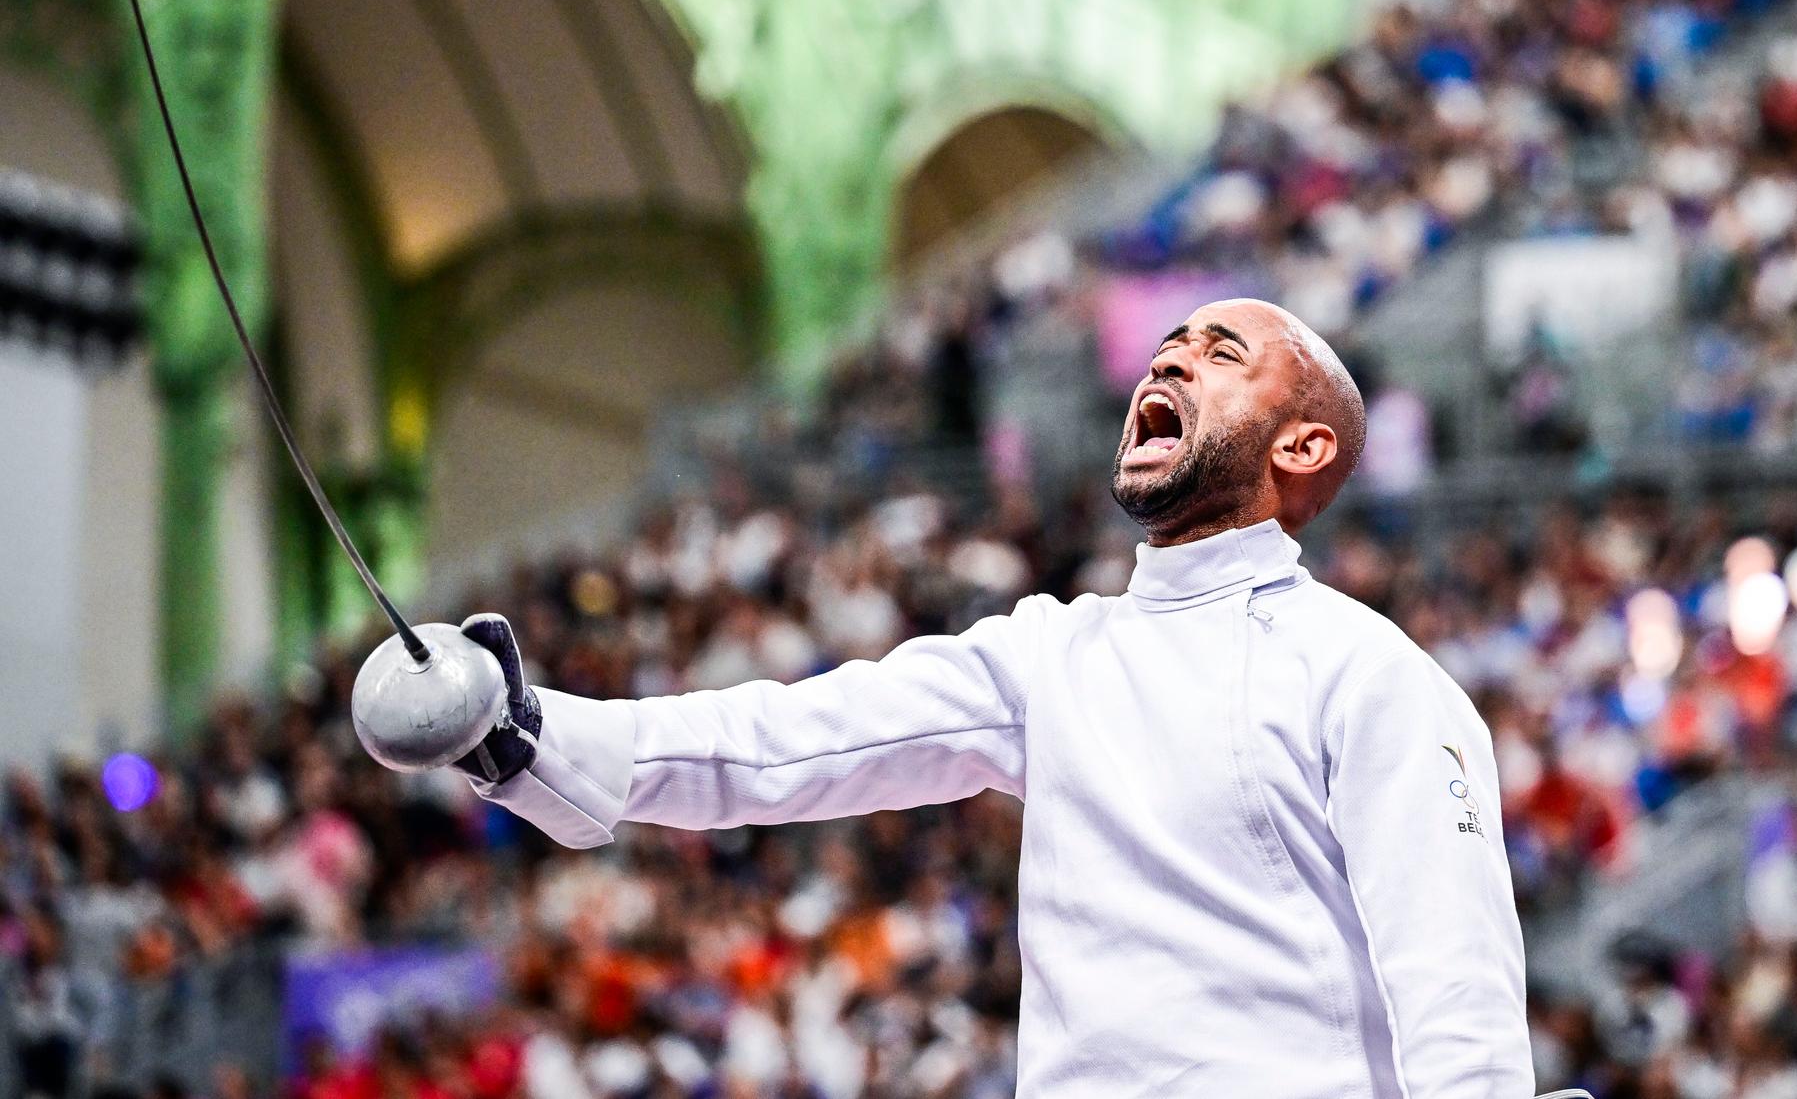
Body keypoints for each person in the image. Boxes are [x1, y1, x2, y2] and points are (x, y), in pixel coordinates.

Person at [362, 299, 1532, 1097]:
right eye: (1168, 345)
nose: (1170, 361)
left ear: (1305, 448)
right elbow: (792, 741)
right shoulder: (1055, 657)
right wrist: (532, 731)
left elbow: (1455, 978)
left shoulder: (1369, 673)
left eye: (1223, 355)